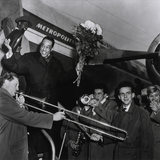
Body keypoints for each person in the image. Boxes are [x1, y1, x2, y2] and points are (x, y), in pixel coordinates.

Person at [2, 36, 79, 159]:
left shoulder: (57, 63)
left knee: (48, 137)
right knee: (31, 135)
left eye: (48, 47)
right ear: (40, 45)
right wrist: (10, 54)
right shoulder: (29, 58)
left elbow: (63, 78)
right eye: (43, 45)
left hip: (50, 101)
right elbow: (15, 66)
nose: (44, 49)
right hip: (33, 99)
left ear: (51, 49)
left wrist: (76, 71)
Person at [0, 72, 65, 160]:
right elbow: (26, 117)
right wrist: (52, 117)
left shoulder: (6, 98)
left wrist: (20, 106)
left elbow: (15, 117)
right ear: (6, 81)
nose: (17, 88)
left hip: (12, 145)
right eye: (15, 85)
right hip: (8, 148)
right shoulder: (2, 98)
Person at [112, 81, 154, 160]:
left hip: (133, 156)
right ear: (119, 97)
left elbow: (147, 144)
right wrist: (101, 137)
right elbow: (114, 134)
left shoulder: (142, 114)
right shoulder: (117, 114)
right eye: (122, 94)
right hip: (118, 155)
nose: (125, 96)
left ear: (133, 95)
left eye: (128, 93)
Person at [80, 83, 118, 160]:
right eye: (95, 93)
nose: (96, 95)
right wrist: (87, 106)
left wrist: (98, 105)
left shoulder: (112, 104)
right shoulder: (92, 105)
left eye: (99, 93)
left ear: (105, 95)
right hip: (93, 143)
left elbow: (111, 118)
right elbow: (83, 120)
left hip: (105, 144)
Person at [147, 85, 160, 160]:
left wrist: (157, 112)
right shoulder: (145, 110)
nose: (154, 98)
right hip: (150, 147)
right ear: (148, 98)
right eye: (151, 96)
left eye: (156, 95)